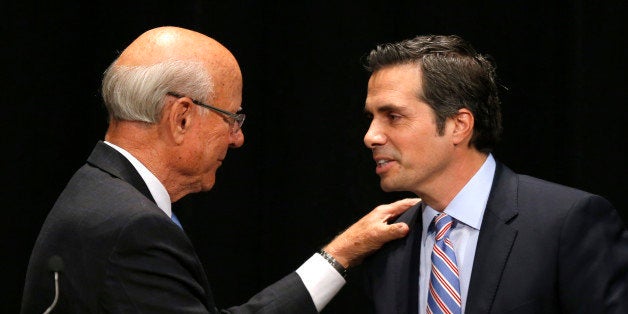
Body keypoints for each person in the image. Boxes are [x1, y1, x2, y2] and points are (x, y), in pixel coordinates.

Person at [21, 26, 419, 313]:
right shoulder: (131, 228)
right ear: (181, 117)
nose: (237, 138)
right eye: (232, 118)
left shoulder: (96, 189)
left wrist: (340, 253)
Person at [360, 35, 628, 314]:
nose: (371, 137)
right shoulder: (386, 245)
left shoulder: (567, 222)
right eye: (371, 119)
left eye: (393, 116)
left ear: (458, 125)